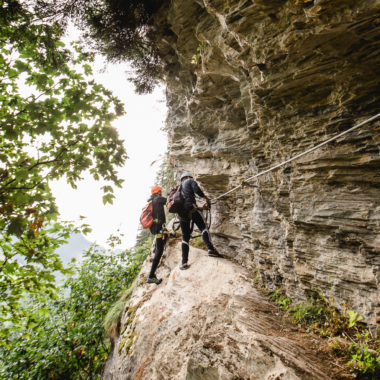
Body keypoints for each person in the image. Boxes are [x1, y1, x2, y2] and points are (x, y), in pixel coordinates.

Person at [177, 172, 221, 270]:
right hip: (191, 208)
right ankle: (211, 249)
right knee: (203, 227)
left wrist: (201, 208)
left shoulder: (178, 188)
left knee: (185, 237)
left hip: (181, 213)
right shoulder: (190, 180)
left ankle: (184, 262)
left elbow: (186, 204)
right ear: (188, 177)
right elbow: (197, 190)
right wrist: (206, 198)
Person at [146, 186, 168, 284]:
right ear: (157, 192)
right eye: (160, 191)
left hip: (155, 227)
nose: (161, 193)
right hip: (159, 228)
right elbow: (168, 201)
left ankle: (156, 247)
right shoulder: (158, 199)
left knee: (165, 236)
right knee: (159, 251)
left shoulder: (152, 200)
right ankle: (151, 276)